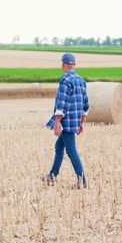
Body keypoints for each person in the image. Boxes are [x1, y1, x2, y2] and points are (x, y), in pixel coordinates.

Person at [43, 53, 89, 189]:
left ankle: (83, 181)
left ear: (63, 64)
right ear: (74, 65)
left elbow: (62, 103)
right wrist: (82, 122)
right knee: (59, 147)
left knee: (71, 151)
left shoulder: (65, 80)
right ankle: (52, 175)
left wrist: (57, 122)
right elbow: (86, 104)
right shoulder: (81, 80)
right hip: (75, 120)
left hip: (66, 121)